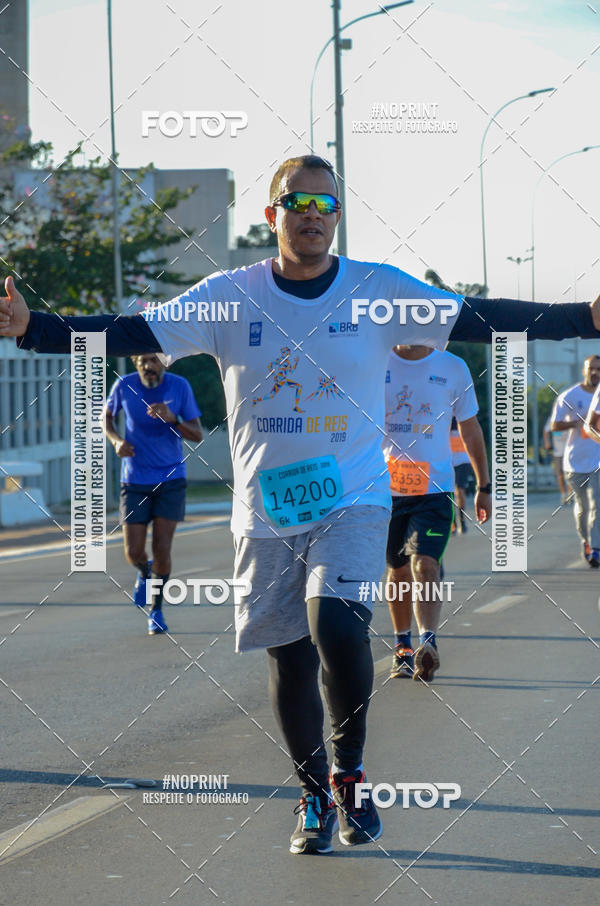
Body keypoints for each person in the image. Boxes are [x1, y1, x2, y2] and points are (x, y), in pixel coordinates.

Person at [3, 155, 600, 857]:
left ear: (337, 217)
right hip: (265, 510)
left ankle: (349, 774)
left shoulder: (377, 291)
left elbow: (480, 318)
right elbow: (130, 333)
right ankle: (313, 791)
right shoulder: (230, 296)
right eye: (298, 202)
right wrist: (30, 326)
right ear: (272, 216)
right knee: (288, 657)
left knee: (338, 629)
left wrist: (585, 318)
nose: (313, 214)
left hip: (353, 496)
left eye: (326, 204)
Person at [383, 345, 491, 681]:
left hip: (434, 490)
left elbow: (470, 429)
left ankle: (427, 641)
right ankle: (403, 645)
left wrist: (483, 487)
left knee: (425, 564)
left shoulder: (453, 367)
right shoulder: (373, 357)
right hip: (384, 491)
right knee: (398, 570)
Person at [103, 353, 203, 634]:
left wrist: (173, 419)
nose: (149, 366)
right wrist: (116, 441)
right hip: (135, 478)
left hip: (171, 479)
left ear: (164, 363)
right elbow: (107, 417)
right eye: (143, 361)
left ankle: (156, 610)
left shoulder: (179, 386)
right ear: (136, 363)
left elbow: (197, 434)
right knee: (133, 551)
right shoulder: (124, 385)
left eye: (154, 361)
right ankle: (144, 573)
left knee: (162, 548)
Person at [551, 355, 600, 566]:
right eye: (592, 369)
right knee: (583, 507)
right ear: (584, 371)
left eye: (599, 369)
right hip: (575, 462)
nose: (595, 373)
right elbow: (555, 425)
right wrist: (576, 424)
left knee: (597, 503)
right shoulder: (570, 396)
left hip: (597, 459)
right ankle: (586, 540)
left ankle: (596, 549)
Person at [450, 417, 476, 534]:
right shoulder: (443, 415)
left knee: (460, 490)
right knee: (450, 492)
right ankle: (453, 523)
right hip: (449, 461)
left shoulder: (463, 416)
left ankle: (462, 521)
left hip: (463, 460)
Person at [542, 414, 570, 504]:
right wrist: (547, 442)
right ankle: (563, 495)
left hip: (570, 451)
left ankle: (570, 494)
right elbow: (546, 431)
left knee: (571, 474)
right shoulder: (552, 418)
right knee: (560, 474)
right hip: (558, 452)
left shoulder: (571, 417)